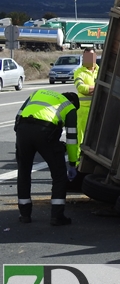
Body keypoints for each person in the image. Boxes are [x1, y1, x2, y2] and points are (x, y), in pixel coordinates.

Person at [14, 90, 80, 226]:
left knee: (24, 172)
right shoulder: (69, 107)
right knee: (59, 175)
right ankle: (57, 216)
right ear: (73, 103)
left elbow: (18, 116)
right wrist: (73, 163)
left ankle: (24, 214)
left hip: (23, 130)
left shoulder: (38, 93)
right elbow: (72, 138)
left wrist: (20, 143)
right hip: (46, 133)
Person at [73, 48, 99, 147]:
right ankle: (78, 160)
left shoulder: (100, 70)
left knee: (97, 135)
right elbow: (81, 88)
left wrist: (91, 90)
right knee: (82, 136)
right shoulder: (79, 72)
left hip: (98, 108)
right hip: (83, 109)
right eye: (86, 57)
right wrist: (98, 88)